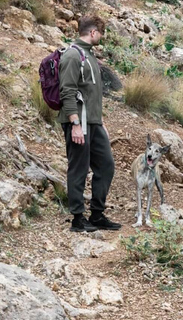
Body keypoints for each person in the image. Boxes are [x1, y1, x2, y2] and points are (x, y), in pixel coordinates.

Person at [58, 15, 121, 232]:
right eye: (100, 34)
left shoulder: (89, 56)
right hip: (78, 123)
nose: (101, 38)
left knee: (106, 165)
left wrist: (99, 121)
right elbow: (67, 92)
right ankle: (77, 219)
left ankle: (97, 214)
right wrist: (74, 123)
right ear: (93, 32)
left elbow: (90, 94)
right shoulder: (72, 56)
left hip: (93, 123)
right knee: (79, 169)